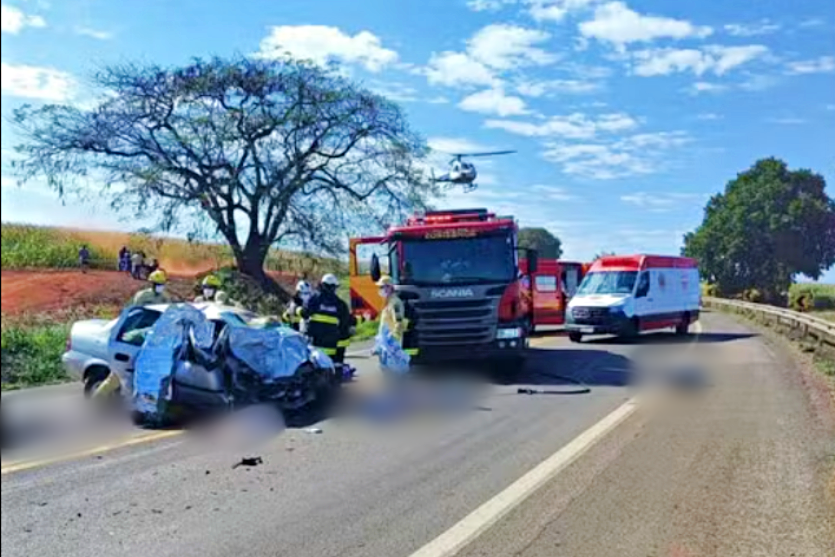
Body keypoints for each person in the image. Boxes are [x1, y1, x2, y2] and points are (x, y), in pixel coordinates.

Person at [301, 274, 355, 368]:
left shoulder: (314, 300)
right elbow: (345, 325)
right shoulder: (340, 304)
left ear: (322, 285)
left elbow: (304, 313)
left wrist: (296, 310)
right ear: (335, 287)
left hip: (315, 344)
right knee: (330, 370)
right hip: (331, 346)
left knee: (314, 370)